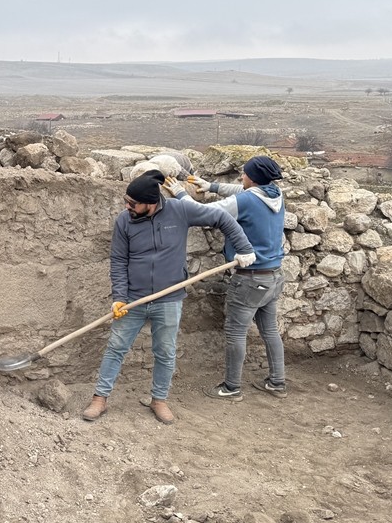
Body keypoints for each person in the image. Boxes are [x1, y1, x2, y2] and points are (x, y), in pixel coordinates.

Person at [82, 169, 257, 426]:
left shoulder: (180, 210)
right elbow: (119, 261)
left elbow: (221, 217)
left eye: (132, 203)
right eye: (126, 201)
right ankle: (100, 398)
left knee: (165, 351)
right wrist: (119, 297)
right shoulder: (124, 221)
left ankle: (159, 399)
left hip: (169, 298)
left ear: (150, 203)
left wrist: (244, 249)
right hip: (133, 299)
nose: (127, 206)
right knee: (116, 348)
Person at [180, 156, 287, 400]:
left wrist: (179, 194)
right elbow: (244, 190)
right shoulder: (276, 194)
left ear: (254, 178)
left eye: (245, 174)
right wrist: (211, 186)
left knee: (236, 332)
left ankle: (231, 388)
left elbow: (204, 212)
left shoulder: (247, 201)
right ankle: (277, 382)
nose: (241, 177)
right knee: (269, 330)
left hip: (249, 279)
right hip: (273, 275)